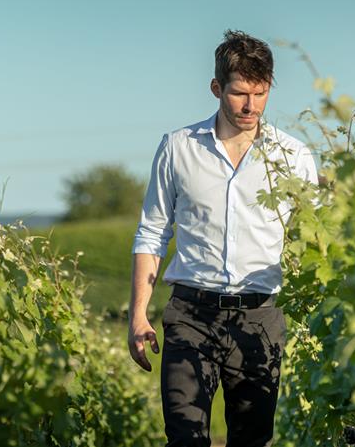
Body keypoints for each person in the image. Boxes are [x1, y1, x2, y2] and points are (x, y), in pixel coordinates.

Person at [127, 29, 318, 447]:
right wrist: (137, 314)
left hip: (259, 321)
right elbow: (152, 232)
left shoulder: (294, 157)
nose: (251, 106)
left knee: (252, 441)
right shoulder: (178, 148)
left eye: (260, 93)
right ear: (216, 88)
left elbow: (316, 238)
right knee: (185, 438)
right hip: (191, 316)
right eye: (239, 93)